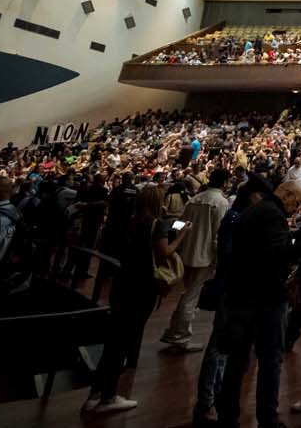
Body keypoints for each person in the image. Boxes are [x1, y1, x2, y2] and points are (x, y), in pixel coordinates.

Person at [84, 184, 187, 416]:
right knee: (124, 340)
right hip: (141, 287)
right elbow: (163, 252)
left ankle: (95, 394)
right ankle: (108, 397)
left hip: (122, 283)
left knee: (114, 341)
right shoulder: (156, 224)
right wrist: (181, 235)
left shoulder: (129, 221)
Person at [213, 179, 301, 428]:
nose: (296, 208)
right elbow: (278, 253)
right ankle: (267, 419)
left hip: (241, 295)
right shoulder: (273, 215)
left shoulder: (252, 211)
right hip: (264, 299)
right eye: (296, 201)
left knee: (237, 360)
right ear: (285, 193)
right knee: (270, 360)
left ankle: (227, 416)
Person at [160, 168, 230, 351]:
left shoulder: (195, 199)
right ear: (224, 183)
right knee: (191, 298)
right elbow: (218, 234)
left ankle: (173, 332)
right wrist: (219, 258)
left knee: (187, 295)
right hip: (204, 256)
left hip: (186, 253)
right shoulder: (220, 203)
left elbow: (178, 224)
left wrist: (178, 242)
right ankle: (180, 337)